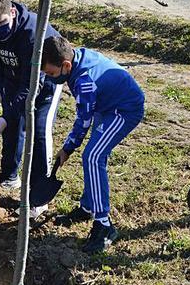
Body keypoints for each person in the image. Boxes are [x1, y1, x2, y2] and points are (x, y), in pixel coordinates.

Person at [43, 36, 145, 254]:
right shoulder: (75, 56)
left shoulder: (84, 81)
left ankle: (104, 225)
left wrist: (68, 147)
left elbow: (83, 121)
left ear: (66, 65)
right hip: (106, 104)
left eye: (51, 74)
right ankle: (88, 207)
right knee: (94, 155)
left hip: (123, 110)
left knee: (93, 156)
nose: (49, 78)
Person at [0, 0, 62, 218]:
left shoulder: (33, 34)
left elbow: (32, 86)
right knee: (12, 126)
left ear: (12, 12)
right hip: (13, 78)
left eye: (0, 24)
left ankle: (40, 198)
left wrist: (5, 117)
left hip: (46, 81)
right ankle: (10, 177)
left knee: (39, 132)